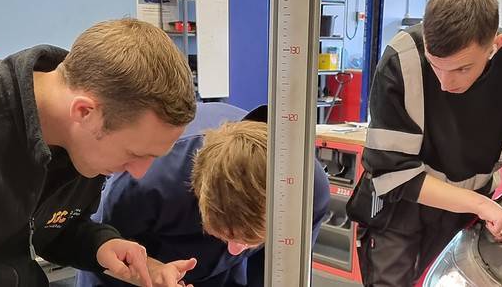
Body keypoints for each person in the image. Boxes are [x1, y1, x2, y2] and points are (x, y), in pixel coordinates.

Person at [346, 0, 502, 286]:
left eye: (462, 68)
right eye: (435, 65)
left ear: (496, 44)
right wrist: (482, 206)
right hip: (399, 207)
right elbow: (393, 172)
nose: (445, 83)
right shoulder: (400, 60)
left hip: (465, 210)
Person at [0, 18, 199, 287]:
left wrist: (101, 245)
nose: (138, 172)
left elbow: (51, 230)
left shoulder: (80, 141)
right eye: (132, 153)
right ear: (84, 112)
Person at [76, 103, 331, 287]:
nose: (235, 248)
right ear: (199, 192)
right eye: (228, 235)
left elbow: (275, 270)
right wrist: (151, 273)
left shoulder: (307, 189)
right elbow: (103, 253)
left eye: (248, 240)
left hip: (222, 275)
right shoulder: (143, 183)